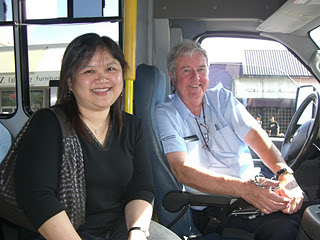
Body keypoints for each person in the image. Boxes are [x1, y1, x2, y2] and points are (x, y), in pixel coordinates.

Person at [15, 33, 180, 240]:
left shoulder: (132, 127)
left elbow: (141, 189)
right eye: (89, 70)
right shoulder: (48, 124)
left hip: (116, 229)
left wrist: (137, 231)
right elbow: (37, 197)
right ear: (69, 82)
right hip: (60, 233)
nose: (102, 78)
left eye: (110, 69)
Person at [155, 40, 305, 239]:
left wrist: (285, 175)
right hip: (215, 206)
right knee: (282, 227)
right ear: (173, 77)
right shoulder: (166, 114)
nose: (196, 77)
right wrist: (243, 189)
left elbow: (257, 137)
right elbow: (181, 170)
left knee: (300, 206)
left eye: (201, 69)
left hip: (251, 190)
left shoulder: (222, 99)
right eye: (186, 71)